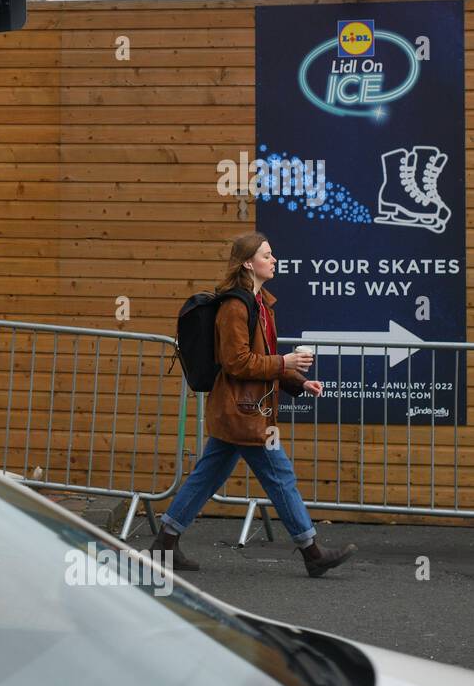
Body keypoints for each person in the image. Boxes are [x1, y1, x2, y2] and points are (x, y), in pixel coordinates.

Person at [151, 232, 357, 577]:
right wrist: (285, 363)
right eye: (267, 254)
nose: (273, 259)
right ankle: (312, 552)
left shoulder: (260, 304)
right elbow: (237, 362)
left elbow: (261, 358)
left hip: (241, 411)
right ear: (248, 263)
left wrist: (298, 381)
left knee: (206, 477)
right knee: (281, 476)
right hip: (245, 414)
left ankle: (166, 542)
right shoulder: (235, 306)